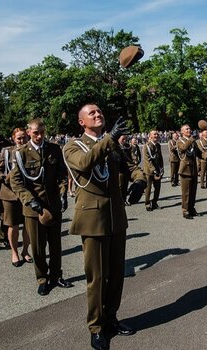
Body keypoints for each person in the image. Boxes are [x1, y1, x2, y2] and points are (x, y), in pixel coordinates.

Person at [63, 104, 135, 350]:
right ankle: (95, 327)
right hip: (93, 220)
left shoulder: (110, 143)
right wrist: (110, 138)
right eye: (91, 113)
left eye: (99, 111)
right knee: (97, 277)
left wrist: (140, 181)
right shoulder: (72, 146)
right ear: (81, 122)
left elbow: (129, 168)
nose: (98, 114)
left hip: (116, 217)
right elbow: (84, 163)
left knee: (116, 274)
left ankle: (111, 318)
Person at [10, 118, 72, 295]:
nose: (39, 136)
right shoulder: (21, 153)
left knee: (55, 244)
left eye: (42, 132)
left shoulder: (53, 149)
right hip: (33, 208)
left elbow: (61, 174)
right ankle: (42, 278)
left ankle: (56, 276)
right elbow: (16, 182)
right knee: (37, 247)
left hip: (53, 205)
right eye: (36, 132)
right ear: (29, 132)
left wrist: (63, 193)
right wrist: (30, 200)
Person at [0, 128, 32, 267]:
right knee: (13, 225)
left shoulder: (31, 151)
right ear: (13, 139)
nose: (22, 141)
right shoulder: (7, 152)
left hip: (28, 193)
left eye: (24, 138)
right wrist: (1, 178)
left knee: (28, 225)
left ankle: (25, 251)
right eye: (19, 138)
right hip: (9, 193)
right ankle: (14, 252)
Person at [176, 125, 201, 219]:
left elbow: (198, 152)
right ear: (182, 132)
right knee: (186, 192)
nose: (189, 130)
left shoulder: (193, 141)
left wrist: (205, 156)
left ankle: (191, 208)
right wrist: (191, 140)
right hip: (185, 170)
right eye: (186, 129)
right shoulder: (179, 141)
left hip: (193, 169)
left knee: (193, 191)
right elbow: (182, 148)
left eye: (190, 128)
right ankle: (185, 210)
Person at [118, 135, 146, 205]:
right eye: (123, 139)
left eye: (125, 139)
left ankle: (127, 199)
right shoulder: (113, 146)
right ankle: (121, 201)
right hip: (117, 171)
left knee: (140, 177)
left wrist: (136, 165)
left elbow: (131, 160)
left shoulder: (128, 147)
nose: (124, 141)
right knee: (121, 185)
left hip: (128, 169)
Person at [143, 130, 164, 211]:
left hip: (157, 170)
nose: (157, 135)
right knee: (148, 188)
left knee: (158, 188)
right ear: (150, 136)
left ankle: (154, 202)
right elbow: (147, 160)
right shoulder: (146, 146)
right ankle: (147, 204)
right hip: (149, 171)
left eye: (157, 134)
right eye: (154, 134)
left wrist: (162, 168)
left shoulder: (158, 145)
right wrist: (154, 170)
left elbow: (160, 158)